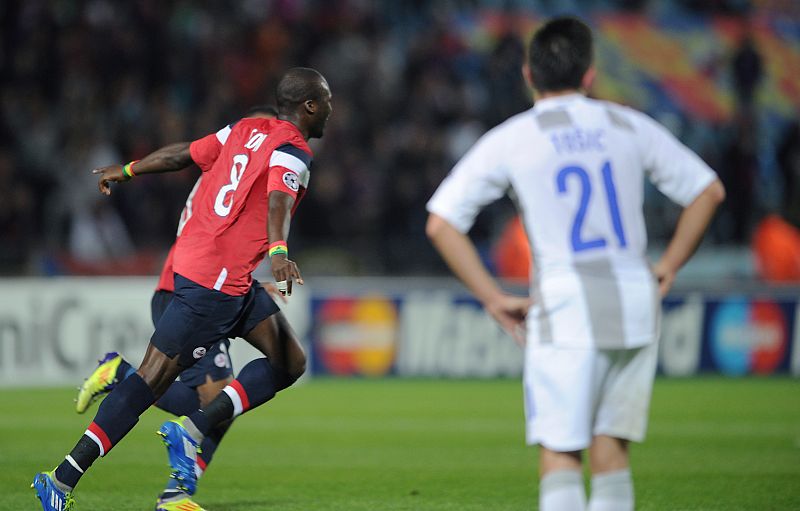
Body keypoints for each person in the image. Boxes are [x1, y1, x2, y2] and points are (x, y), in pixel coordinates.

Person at [425, 17, 724, 511]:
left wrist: (493, 297)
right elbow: (708, 191)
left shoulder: (514, 137)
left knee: (562, 454)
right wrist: (669, 265)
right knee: (611, 451)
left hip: (567, 305)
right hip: (634, 300)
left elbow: (441, 222)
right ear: (589, 75)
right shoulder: (627, 123)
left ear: (527, 74)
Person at [32, 67, 333, 511]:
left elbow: (184, 156)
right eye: (326, 100)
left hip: (216, 271)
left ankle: (191, 430)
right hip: (212, 282)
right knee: (151, 382)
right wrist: (279, 251)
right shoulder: (294, 149)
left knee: (290, 360)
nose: (331, 108)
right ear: (309, 105)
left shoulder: (246, 128)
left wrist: (130, 169)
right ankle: (63, 478)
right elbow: (278, 200)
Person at [72, 106, 284, 510]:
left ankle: (176, 492)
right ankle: (124, 381)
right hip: (188, 290)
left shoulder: (230, 173)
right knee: (217, 400)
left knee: (223, 405)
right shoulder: (229, 173)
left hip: (210, 288)